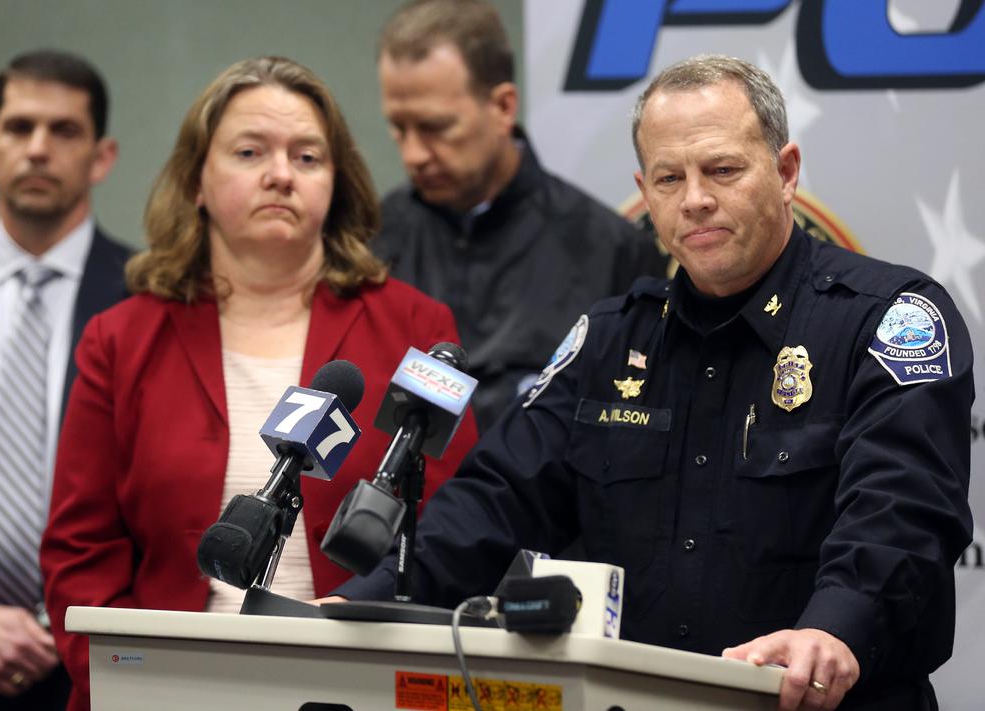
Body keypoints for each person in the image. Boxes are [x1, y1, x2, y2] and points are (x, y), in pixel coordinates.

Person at [334, 55, 973, 711]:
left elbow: (902, 516)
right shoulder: (609, 340)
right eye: (670, 177)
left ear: (785, 172)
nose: (694, 197)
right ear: (646, 189)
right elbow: (492, 502)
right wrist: (360, 606)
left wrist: (832, 628)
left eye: (722, 169)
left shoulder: (888, 318)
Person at [38, 56, 477, 711]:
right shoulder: (120, 339)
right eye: (250, 151)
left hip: (360, 687)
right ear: (196, 180)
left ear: (336, 181)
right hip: (162, 690)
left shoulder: (417, 327)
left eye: (307, 157)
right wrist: (129, 684)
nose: (280, 174)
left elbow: (456, 524)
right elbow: (80, 552)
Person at [373, 0, 667, 430]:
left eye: (435, 127)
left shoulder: (613, 252)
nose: (413, 153)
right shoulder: (370, 243)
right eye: (399, 128)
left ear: (504, 106)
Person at [0, 49, 129, 710]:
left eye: (63, 131)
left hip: (104, 655)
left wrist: (80, 613)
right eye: (19, 127)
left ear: (102, 156)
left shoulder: (152, 304)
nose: (37, 148)